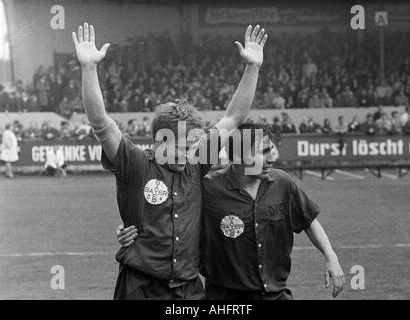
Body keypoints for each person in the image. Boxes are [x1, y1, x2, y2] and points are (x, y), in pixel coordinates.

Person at [72, 22, 267, 299]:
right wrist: (89, 68)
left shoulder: (197, 163)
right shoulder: (136, 164)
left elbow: (233, 117)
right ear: (161, 140)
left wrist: (252, 68)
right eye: (185, 146)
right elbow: (101, 123)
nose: (191, 153)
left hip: (187, 288)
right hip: (141, 287)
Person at [118, 123, 346, 299]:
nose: (272, 158)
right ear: (237, 156)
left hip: (276, 293)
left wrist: (331, 257)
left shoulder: (283, 183)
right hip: (225, 296)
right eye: (263, 152)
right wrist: (130, 226)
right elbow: (171, 207)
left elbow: (308, 220)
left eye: (271, 150)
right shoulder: (208, 187)